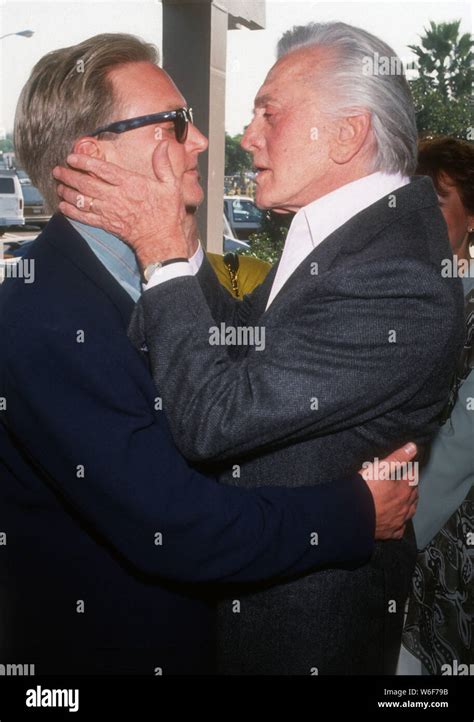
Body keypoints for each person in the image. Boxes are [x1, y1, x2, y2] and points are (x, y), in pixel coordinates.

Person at [0, 33, 416, 677]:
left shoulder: (153, 275)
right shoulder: (39, 313)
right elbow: (175, 526)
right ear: (89, 159)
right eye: (172, 124)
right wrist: (356, 511)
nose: (199, 141)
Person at [401, 137, 474, 674]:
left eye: (438, 202)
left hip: (439, 546)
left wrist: (392, 535)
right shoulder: (404, 293)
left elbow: (458, 449)